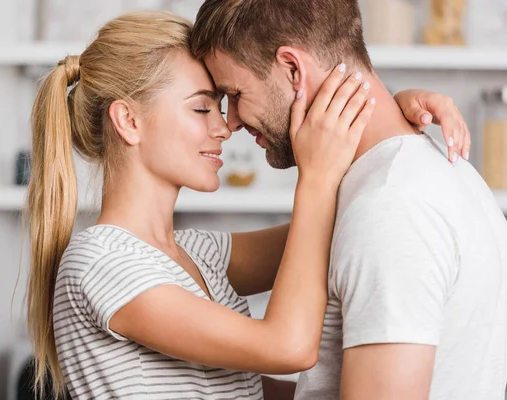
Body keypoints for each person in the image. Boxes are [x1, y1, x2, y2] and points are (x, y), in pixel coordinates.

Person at [25, 10, 472, 400]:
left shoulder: (201, 253)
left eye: (224, 104)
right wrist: (314, 177)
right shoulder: (100, 262)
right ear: (128, 120)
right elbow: (288, 348)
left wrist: (385, 118)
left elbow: (345, 219)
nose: (225, 127)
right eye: (202, 110)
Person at [190, 1, 507, 399]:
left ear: (293, 69)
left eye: (235, 94)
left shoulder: (391, 209)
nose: (231, 121)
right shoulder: (435, 173)